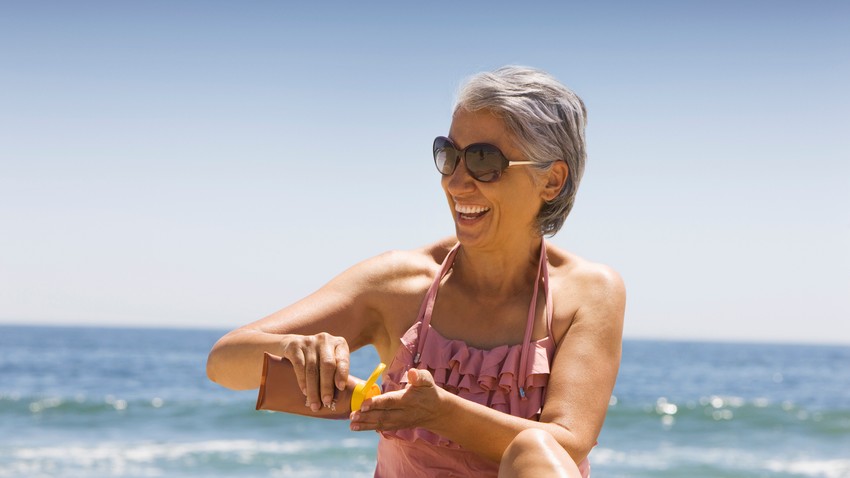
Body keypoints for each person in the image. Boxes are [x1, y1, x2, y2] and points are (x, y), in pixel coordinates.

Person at [206, 65, 625, 477]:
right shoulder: (400, 284)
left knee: (535, 448)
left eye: (483, 160)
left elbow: (566, 443)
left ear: (551, 181)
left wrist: (441, 413)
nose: (456, 182)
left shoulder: (587, 292)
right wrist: (293, 350)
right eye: (450, 156)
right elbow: (224, 362)